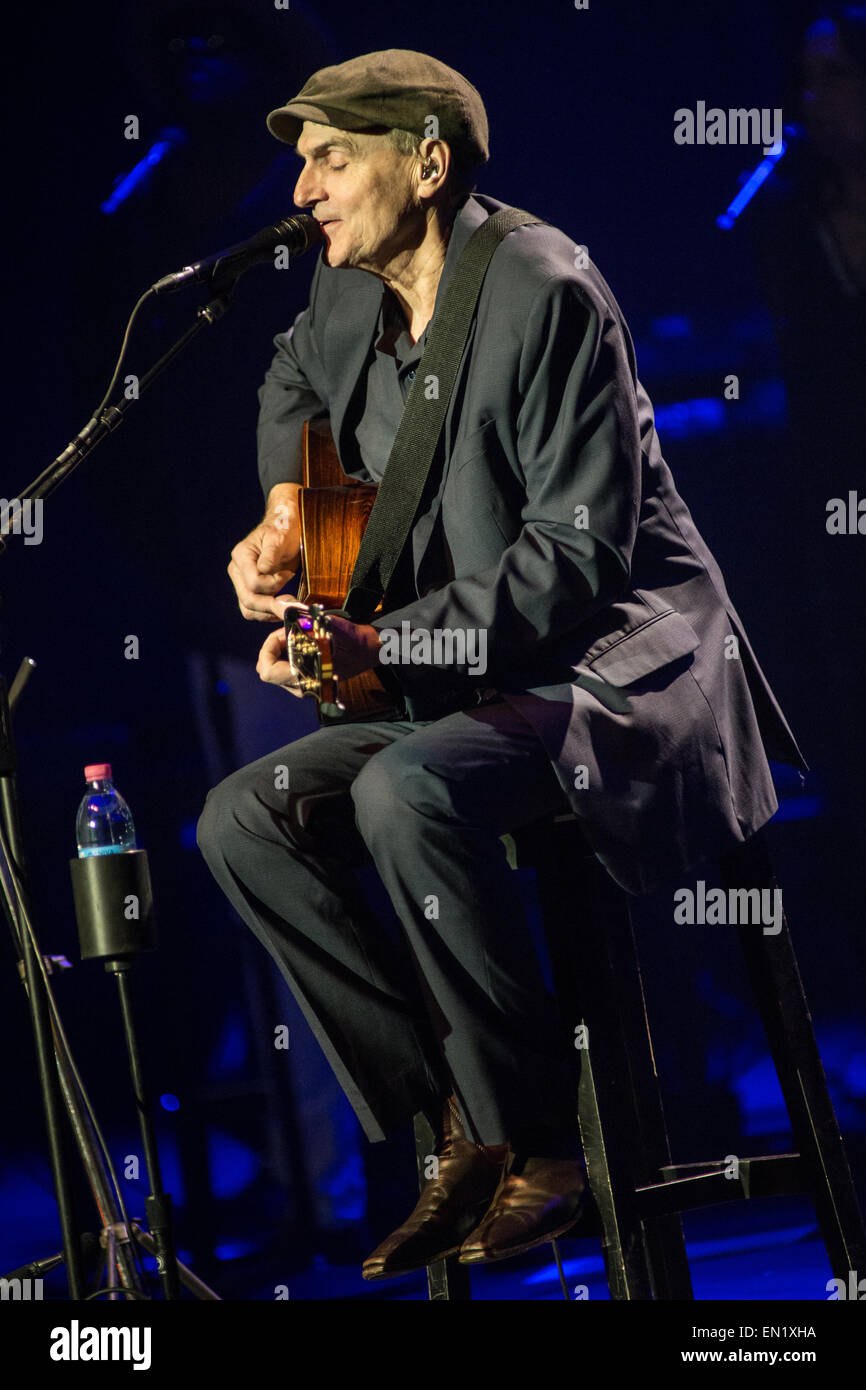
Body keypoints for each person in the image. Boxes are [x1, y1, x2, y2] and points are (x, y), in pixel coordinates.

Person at [196, 48, 806, 1279]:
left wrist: (381, 645)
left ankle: (540, 1142)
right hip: (465, 682)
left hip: (612, 672)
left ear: (424, 163)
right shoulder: (342, 294)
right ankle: (454, 1126)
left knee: (400, 790)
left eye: (329, 157)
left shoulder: (543, 289)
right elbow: (287, 379)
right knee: (240, 820)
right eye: (300, 162)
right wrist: (279, 512)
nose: (302, 187)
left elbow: (574, 566)